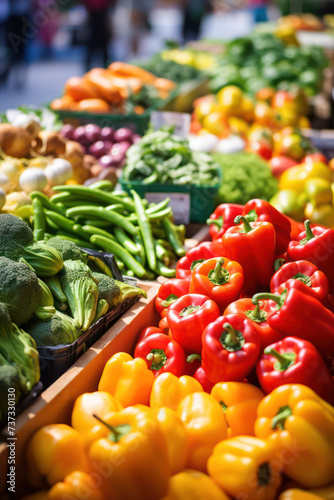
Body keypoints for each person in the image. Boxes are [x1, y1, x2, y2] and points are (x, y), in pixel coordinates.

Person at [82, 0, 114, 71]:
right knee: (91, 47)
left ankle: (107, 68)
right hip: (93, 19)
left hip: (102, 18)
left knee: (104, 48)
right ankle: (87, 68)